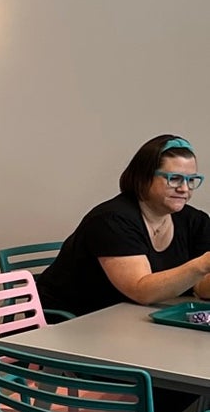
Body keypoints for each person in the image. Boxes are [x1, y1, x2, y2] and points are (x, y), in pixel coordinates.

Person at [39, 134, 210, 316]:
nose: (184, 188)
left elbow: (201, 287)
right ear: (144, 178)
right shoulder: (111, 220)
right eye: (174, 178)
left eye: (191, 180)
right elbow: (141, 290)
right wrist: (202, 264)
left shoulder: (194, 220)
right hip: (68, 321)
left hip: (127, 318)